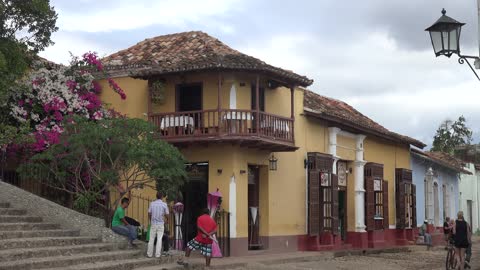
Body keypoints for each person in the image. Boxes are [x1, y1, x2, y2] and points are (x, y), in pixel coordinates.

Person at [147, 191, 169, 258]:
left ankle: (149, 254)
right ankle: (157, 254)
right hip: (160, 224)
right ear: (162, 197)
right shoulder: (164, 204)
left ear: (156, 196)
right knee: (159, 239)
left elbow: (149, 213)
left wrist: (151, 220)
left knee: (151, 239)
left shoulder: (152, 203)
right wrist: (167, 220)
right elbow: (167, 214)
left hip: (153, 224)